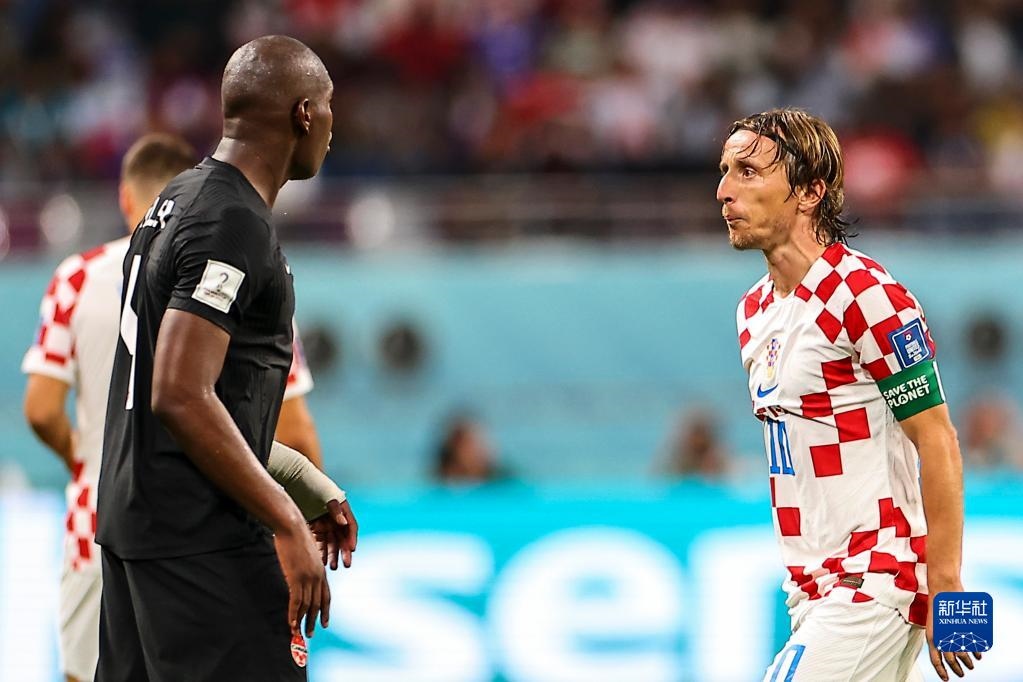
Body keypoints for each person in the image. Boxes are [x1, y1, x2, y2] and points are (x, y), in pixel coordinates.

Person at [21, 132, 333, 682]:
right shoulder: (236, 260)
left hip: (101, 518)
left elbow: (42, 409)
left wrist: (88, 460)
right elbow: (293, 429)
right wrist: (296, 512)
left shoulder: (77, 276)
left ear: (126, 197)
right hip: (200, 533)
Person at [95, 35, 353, 681]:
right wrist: (284, 517)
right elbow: (180, 393)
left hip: (140, 527)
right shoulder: (230, 221)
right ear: (303, 114)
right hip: (199, 540)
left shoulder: (176, 200)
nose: (332, 125)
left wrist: (302, 481)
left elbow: (194, 402)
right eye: (328, 106)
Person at [719, 108, 980, 682]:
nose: (724, 192)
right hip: (810, 589)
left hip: (875, 578)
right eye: (725, 172)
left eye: (747, 172)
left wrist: (946, 585)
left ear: (810, 192)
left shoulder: (866, 295)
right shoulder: (753, 312)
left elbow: (936, 438)